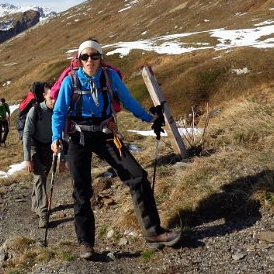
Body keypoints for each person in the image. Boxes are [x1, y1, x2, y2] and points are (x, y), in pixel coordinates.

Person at [51, 38, 180, 260]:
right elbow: (59, 112)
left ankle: (153, 232)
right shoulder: (70, 81)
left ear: (101, 58)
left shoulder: (110, 78)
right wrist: (56, 138)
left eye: (94, 56)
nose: (90, 60)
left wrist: (149, 118)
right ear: (79, 60)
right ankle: (85, 243)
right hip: (77, 137)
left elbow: (128, 101)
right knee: (81, 190)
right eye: (85, 56)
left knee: (137, 176)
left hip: (105, 133)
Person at [23, 83, 61, 228]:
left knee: (43, 175)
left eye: (56, 97)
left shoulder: (59, 111)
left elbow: (62, 134)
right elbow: (26, 134)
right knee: (39, 176)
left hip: (48, 147)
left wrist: (62, 158)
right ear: (44, 96)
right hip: (34, 145)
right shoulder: (35, 110)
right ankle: (43, 212)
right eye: (52, 97)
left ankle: (35, 202)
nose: (55, 101)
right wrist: (27, 158)